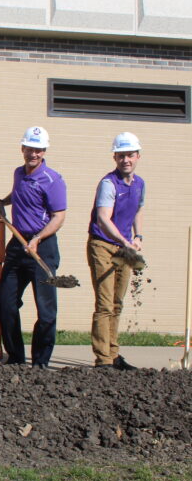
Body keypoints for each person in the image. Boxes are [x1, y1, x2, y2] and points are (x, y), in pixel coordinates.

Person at [0, 126, 67, 369]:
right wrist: (3, 202)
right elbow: (19, 194)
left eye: (38, 150)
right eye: (29, 149)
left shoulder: (53, 180)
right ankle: (15, 357)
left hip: (42, 247)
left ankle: (41, 362)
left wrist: (37, 239)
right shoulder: (19, 174)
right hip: (17, 244)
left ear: (44, 151)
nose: (33, 154)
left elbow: (58, 216)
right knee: (6, 302)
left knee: (46, 310)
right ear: (22, 149)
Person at [87, 132, 145, 370]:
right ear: (115, 157)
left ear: (138, 156)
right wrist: (125, 240)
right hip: (102, 244)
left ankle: (113, 353)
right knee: (105, 303)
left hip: (125, 248)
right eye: (121, 156)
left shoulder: (140, 184)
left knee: (117, 303)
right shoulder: (108, 184)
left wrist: (138, 236)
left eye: (130, 155)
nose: (125, 160)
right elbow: (103, 219)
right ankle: (103, 360)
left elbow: (138, 210)